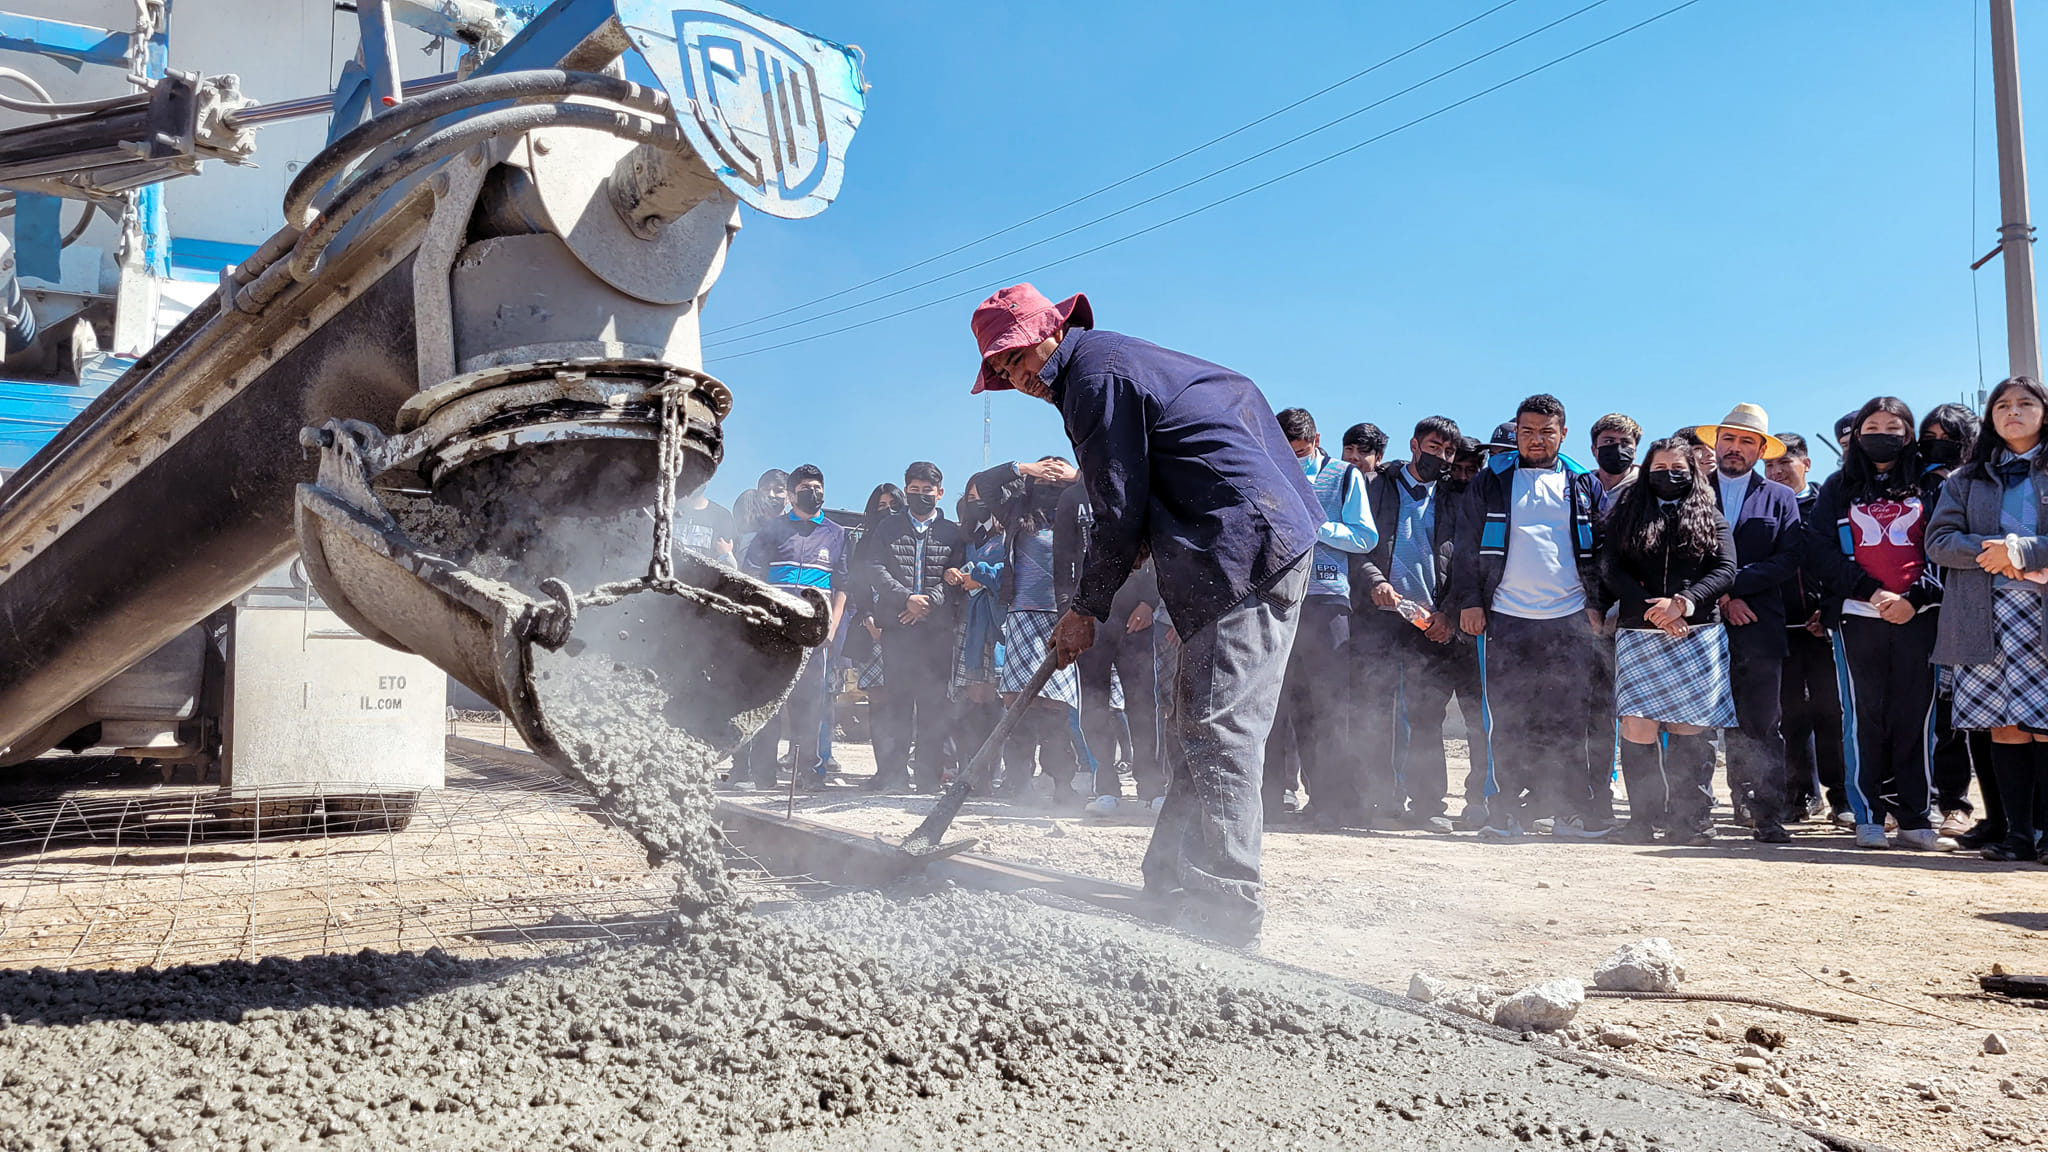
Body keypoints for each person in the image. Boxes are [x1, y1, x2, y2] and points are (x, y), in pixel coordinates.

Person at [972, 283, 1317, 949]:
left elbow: (1115, 505)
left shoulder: (1094, 378)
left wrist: (1085, 610)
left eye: (1016, 358)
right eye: (1003, 370)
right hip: (1244, 536)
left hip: (1240, 545)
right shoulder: (1111, 363)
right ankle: (1169, 879)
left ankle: (1225, 907)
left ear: (1054, 329)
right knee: (1200, 719)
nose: (1017, 377)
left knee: (1218, 726)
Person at [1450, 394, 1607, 839]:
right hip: (1507, 615)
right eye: (1527, 431)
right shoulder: (1491, 480)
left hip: (1570, 616)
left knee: (1567, 719)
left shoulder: (1581, 482)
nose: (1536, 440)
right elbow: (1466, 545)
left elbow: (1599, 547)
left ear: (1563, 433)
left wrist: (1595, 603)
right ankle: (1505, 814)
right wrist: (1470, 601)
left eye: (1546, 431)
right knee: (1509, 717)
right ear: (1516, 432)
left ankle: (1568, 813)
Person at [1807, 397, 1952, 851]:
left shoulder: (1933, 486)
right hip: (1857, 618)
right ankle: (1868, 815)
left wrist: (1914, 599)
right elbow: (1819, 550)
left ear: (1909, 434)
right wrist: (1872, 592)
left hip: (1919, 616)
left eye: (1893, 425)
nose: (1882, 433)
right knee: (1863, 717)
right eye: (1872, 425)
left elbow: (1945, 548)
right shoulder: (1838, 485)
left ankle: (1915, 817)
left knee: (1916, 717)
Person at [1927, 375, 2048, 862]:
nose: (2012, 412)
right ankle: (2017, 834)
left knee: (2045, 725)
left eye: (2024, 403)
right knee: (2003, 727)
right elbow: (1938, 542)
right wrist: (1992, 551)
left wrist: (2023, 551)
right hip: (1984, 615)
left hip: (2040, 616)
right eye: (2001, 405)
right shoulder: (1965, 479)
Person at [1596, 438, 1740, 843]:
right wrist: (1654, 609)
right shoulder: (1627, 514)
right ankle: (1641, 820)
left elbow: (1726, 569)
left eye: (1678, 469)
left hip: (1696, 633)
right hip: (1640, 631)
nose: (1669, 476)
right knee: (1638, 726)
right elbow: (1611, 568)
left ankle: (1690, 821)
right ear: (1646, 473)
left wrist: (1683, 603)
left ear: (1692, 473)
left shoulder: (1711, 516)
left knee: (1688, 729)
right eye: (1659, 469)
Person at [1698, 403, 1803, 844]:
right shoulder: (1693, 491)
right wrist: (1719, 596)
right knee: (1698, 723)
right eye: (1728, 439)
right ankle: (1701, 811)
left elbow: (1790, 556)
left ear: (1761, 450)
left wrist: (1735, 589)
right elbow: (1680, 552)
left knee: (1761, 722)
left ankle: (1767, 812)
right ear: (1716, 443)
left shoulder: (1781, 497)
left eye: (1746, 442)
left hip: (1759, 622)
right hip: (1700, 623)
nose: (1735, 448)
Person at [1266, 408, 1377, 826]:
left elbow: (1365, 536)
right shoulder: (1266, 470)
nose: (1293, 459)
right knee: (1273, 703)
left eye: (1301, 450)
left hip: (1327, 600)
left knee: (1326, 707)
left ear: (1316, 440)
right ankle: (1270, 796)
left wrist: (1317, 527)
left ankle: (1329, 801)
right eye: (1286, 450)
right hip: (1277, 602)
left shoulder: (1344, 477)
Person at [1354, 415, 1462, 830]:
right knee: (1375, 709)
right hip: (1379, 616)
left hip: (1429, 622)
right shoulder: (1377, 488)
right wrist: (1375, 582)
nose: (1442, 457)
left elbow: (1464, 560)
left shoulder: (1453, 498)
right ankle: (1378, 800)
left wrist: (1447, 613)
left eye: (1449, 451)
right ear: (1415, 445)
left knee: (1427, 713)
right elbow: (1356, 544)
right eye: (1434, 447)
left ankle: (1428, 804)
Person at [967, 456, 1085, 802]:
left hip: (1063, 618)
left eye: (1054, 477)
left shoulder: (1078, 513)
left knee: (1055, 705)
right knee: (1017, 703)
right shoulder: (1016, 511)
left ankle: (1062, 783)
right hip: (1021, 615)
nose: (1047, 483)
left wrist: (1077, 474)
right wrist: (1024, 467)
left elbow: (1108, 494)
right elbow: (986, 483)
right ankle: (1019, 783)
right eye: (1042, 476)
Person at [1061, 473, 1166, 816]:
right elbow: (1062, 561)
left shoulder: (1139, 489)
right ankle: (1105, 786)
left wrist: (1149, 602)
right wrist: (1072, 614)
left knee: (1142, 703)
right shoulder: (1071, 498)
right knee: (1093, 702)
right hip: (1090, 616)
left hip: (1136, 618)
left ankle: (1151, 788)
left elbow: (1159, 550)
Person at [739, 465, 849, 790]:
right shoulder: (771, 530)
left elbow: (843, 585)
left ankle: (809, 773)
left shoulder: (837, 533)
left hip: (815, 634)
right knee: (768, 701)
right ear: (791, 494)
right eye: (804, 487)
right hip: (774, 630)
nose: (811, 492)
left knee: (810, 704)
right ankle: (763, 775)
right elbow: (752, 577)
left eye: (817, 486)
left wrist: (831, 628)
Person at [864, 461, 967, 794]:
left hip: (937, 632)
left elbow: (956, 575)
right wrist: (906, 599)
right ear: (906, 490)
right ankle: (894, 777)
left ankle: (927, 779)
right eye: (915, 490)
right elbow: (875, 568)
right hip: (898, 628)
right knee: (899, 705)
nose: (921, 496)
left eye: (928, 491)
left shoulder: (954, 531)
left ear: (940, 493)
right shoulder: (888, 528)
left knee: (934, 707)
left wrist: (929, 602)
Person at [1765, 434, 1849, 826]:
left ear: (1807, 464)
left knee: (1832, 714)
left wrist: (1828, 609)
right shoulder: (1762, 503)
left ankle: (1843, 797)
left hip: (1825, 628)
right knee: (1790, 717)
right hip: (1779, 628)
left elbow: (1843, 557)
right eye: (1770, 465)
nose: (1778, 471)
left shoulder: (1827, 504)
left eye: (1786, 462)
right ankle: (1798, 794)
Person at [1921, 402, 1990, 838]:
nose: (1938, 445)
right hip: (1925, 607)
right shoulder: (1919, 483)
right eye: (1931, 436)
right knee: (1935, 715)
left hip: (1974, 606)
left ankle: (1967, 806)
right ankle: (1936, 800)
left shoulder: (1981, 482)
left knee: (1974, 719)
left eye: (1949, 437)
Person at [947, 483, 1006, 781]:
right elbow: (950, 569)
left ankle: (994, 769)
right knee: (970, 695)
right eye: (971, 498)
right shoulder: (966, 537)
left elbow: (1012, 575)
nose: (977, 503)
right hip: (968, 624)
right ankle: (968, 768)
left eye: (982, 497)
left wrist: (981, 578)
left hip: (996, 626)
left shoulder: (1010, 533)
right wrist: (953, 575)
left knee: (996, 695)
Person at [1589, 413, 1643, 508]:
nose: (1618, 448)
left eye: (1625, 442)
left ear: (1635, 451)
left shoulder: (1648, 486)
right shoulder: (1580, 487)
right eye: (1609, 441)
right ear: (1594, 450)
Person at [672, 486, 736, 566]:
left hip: (704, 577)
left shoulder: (722, 517)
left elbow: (727, 562)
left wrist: (726, 556)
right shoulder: (668, 511)